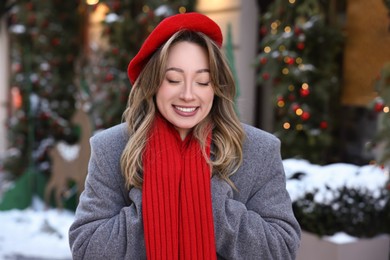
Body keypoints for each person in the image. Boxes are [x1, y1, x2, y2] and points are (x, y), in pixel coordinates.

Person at [69, 12, 301, 260]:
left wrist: (206, 200)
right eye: (174, 79)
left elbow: (281, 249)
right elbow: (87, 247)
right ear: (154, 82)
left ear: (217, 86)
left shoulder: (259, 150)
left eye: (202, 81)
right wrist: (157, 202)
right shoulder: (111, 148)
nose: (188, 95)